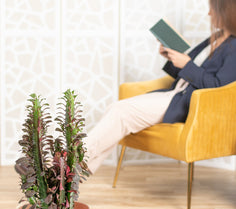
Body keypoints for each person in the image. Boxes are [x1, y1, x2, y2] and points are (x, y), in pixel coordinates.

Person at [85, 0, 236, 174]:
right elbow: (188, 69)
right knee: (115, 109)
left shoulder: (235, 47)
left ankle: (67, 166)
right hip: (175, 93)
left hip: (189, 103)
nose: (209, 14)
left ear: (227, 12)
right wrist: (172, 57)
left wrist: (186, 64)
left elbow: (218, 87)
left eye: (213, 9)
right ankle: (71, 179)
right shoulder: (215, 38)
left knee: (120, 112)